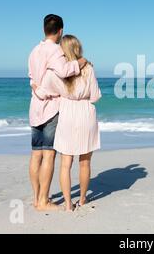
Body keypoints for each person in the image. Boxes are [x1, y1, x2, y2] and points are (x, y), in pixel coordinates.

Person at [32, 35, 101, 211]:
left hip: (67, 114)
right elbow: (95, 96)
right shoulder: (88, 68)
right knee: (85, 162)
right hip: (86, 113)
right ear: (78, 48)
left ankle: (68, 204)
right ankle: (83, 199)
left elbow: (42, 93)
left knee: (65, 163)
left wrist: (34, 86)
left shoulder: (56, 72)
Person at [28, 15, 88, 211]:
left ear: (44, 29)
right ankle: (44, 201)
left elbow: (32, 78)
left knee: (35, 155)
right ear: (60, 31)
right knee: (48, 154)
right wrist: (80, 62)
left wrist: (37, 89)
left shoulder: (34, 51)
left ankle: (36, 198)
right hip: (50, 108)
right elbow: (63, 71)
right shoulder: (56, 51)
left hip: (35, 107)